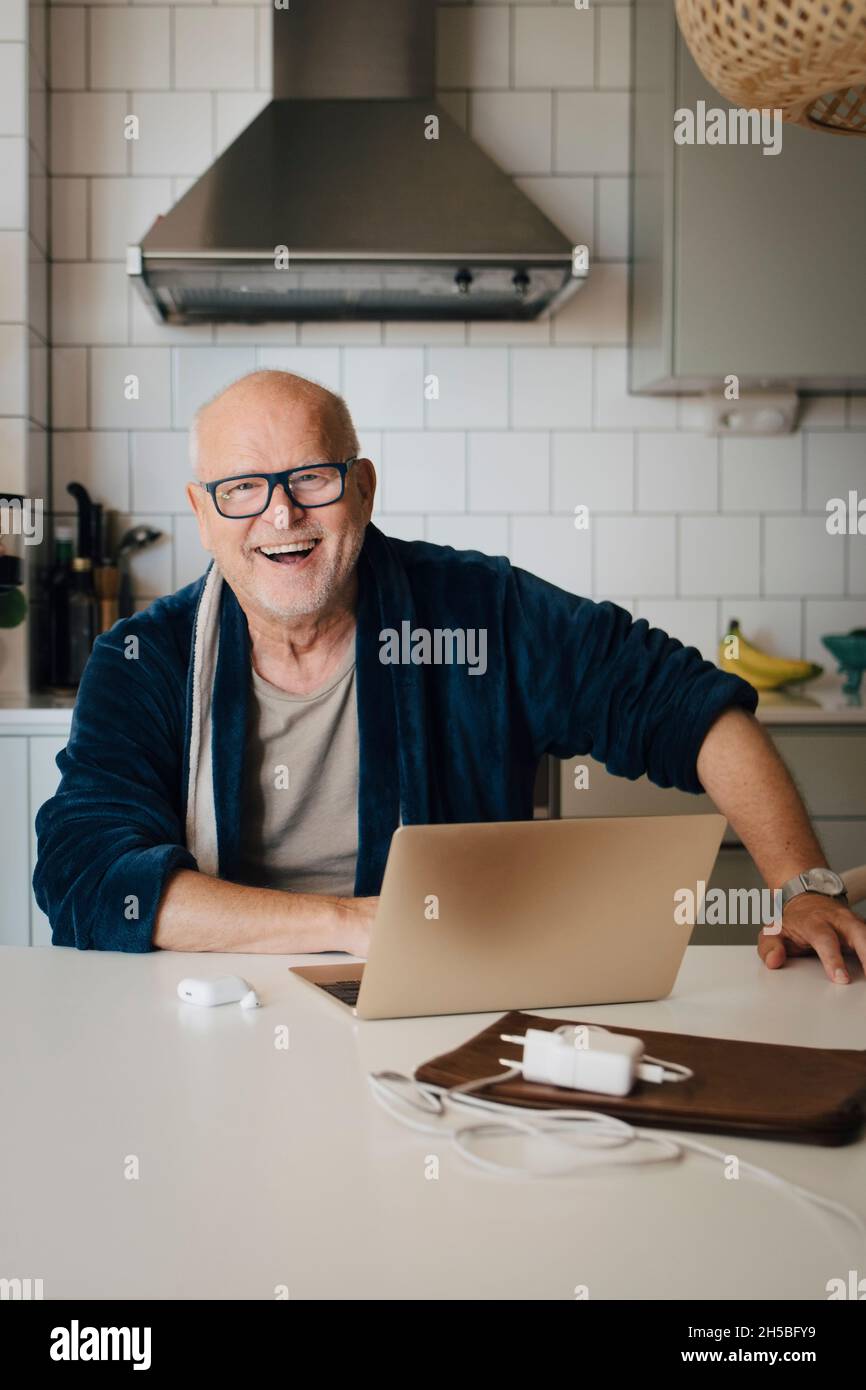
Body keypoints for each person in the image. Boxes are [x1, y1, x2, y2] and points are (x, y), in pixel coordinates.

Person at [34, 370, 865, 984]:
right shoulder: (145, 661)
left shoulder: (478, 611)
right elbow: (86, 877)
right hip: (209, 1012)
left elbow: (688, 707)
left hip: (451, 1004)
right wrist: (353, 925)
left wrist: (803, 884)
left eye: (311, 479)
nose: (281, 516)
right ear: (203, 513)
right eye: (243, 490)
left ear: (361, 488)